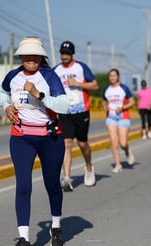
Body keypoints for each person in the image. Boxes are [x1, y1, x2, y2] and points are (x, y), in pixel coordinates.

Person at [0, 37, 70, 246]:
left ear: (41, 57)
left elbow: (64, 106)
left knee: (52, 184)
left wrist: (39, 94)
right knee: (23, 185)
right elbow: (2, 92)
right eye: (26, 55)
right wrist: (7, 105)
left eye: (34, 56)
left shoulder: (48, 75)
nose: (30, 59)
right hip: (21, 137)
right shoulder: (12, 75)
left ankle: (56, 226)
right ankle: (24, 241)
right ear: (21, 57)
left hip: (50, 137)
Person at [54, 41, 99, 191]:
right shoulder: (56, 70)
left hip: (81, 111)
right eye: (63, 53)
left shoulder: (81, 67)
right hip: (65, 111)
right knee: (66, 143)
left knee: (82, 144)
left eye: (67, 53)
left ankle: (88, 166)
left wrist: (78, 84)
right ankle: (67, 177)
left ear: (72, 54)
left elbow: (95, 85)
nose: (65, 56)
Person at [102, 69, 135, 173]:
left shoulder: (123, 88)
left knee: (123, 143)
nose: (112, 77)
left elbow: (132, 102)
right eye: (110, 75)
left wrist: (122, 107)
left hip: (123, 116)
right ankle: (117, 164)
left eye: (114, 75)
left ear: (118, 77)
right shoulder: (106, 89)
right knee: (113, 141)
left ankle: (127, 151)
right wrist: (105, 106)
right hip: (111, 117)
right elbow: (104, 102)